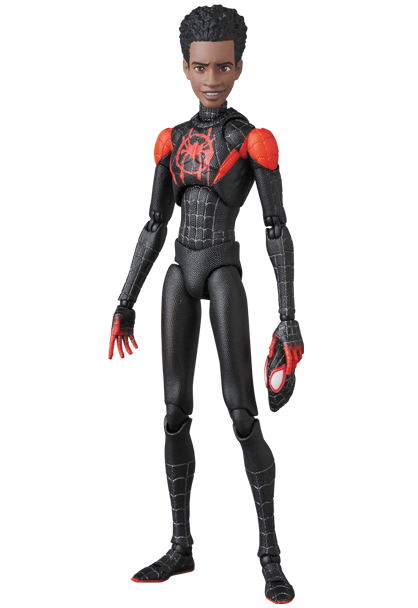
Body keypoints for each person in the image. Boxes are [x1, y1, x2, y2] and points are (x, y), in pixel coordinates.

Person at [109, 5, 304, 604]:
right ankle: (181, 545)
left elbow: (276, 229)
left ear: (239, 67)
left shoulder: (252, 141)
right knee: (174, 413)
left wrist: (289, 318)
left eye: (222, 66)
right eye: (201, 67)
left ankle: (270, 556)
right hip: (178, 272)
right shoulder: (171, 141)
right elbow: (153, 223)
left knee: (242, 415)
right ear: (185, 68)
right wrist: (124, 300)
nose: (212, 78)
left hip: (222, 272)